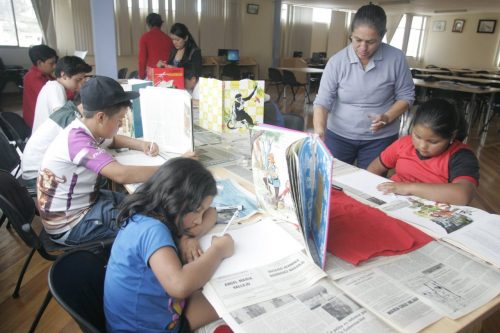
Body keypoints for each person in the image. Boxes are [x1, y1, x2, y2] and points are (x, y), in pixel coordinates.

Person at [104, 157, 234, 332]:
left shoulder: (153, 214)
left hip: (156, 313)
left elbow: (212, 212)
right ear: (175, 199)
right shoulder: (152, 229)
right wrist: (218, 250)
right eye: (197, 211)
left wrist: (189, 236)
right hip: (147, 327)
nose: (199, 220)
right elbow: (179, 285)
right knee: (232, 299)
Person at [37, 76, 163, 246]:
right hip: (71, 224)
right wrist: (170, 169)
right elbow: (121, 174)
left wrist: (142, 145)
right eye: (119, 120)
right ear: (101, 117)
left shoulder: (85, 128)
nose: (120, 125)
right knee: (150, 227)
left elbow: (115, 140)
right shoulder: (77, 141)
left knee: (143, 202)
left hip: (86, 203)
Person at [313, 3, 414, 169]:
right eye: (357, 40)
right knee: (334, 181)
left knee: (369, 186)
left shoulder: (396, 59)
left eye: (371, 42)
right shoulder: (337, 61)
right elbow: (322, 101)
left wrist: (387, 117)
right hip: (339, 135)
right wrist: (319, 130)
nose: (363, 48)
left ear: (382, 36)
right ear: (351, 34)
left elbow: (406, 96)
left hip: (380, 138)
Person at [367, 99, 480, 206]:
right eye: (417, 136)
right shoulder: (404, 143)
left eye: (433, 142)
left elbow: (463, 195)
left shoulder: (461, 156)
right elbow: (374, 169)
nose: (422, 146)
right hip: (393, 203)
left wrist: (408, 188)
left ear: (452, 135)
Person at [22, 93, 83, 187]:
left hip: (35, 170)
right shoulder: (72, 118)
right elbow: (84, 150)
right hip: (37, 176)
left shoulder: (68, 110)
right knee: (94, 177)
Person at [32, 56, 92, 131]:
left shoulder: (54, 86)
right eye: (78, 80)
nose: (80, 85)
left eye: (82, 80)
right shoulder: (55, 87)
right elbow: (65, 119)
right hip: (48, 141)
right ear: (63, 75)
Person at [22, 44, 58, 128]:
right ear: (39, 63)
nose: (55, 66)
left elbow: (56, 84)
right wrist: (73, 90)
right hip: (36, 123)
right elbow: (51, 97)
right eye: (51, 63)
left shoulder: (45, 74)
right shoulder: (32, 77)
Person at [138, 13, 174, 79]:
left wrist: (141, 76)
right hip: (167, 75)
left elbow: (142, 60)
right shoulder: (168, 39)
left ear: (148, 24)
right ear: (160, 24)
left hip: (152, 75)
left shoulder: (145, 37)